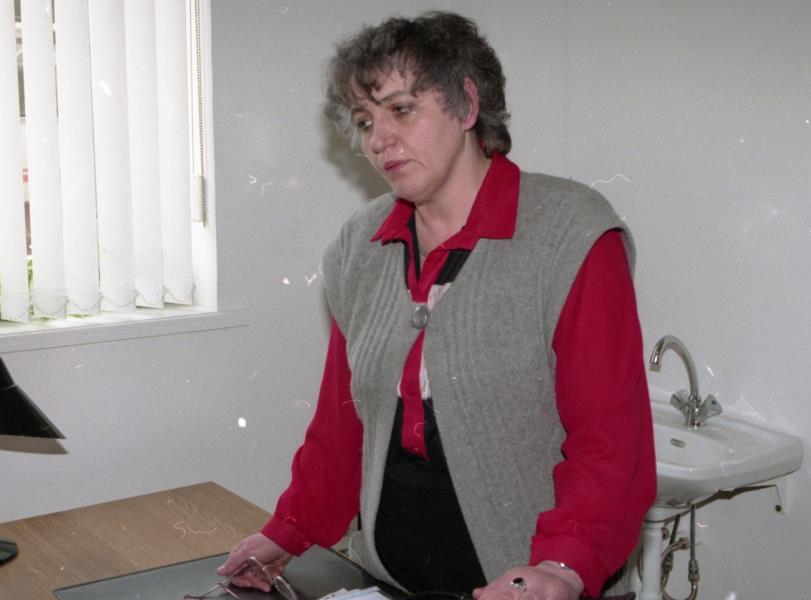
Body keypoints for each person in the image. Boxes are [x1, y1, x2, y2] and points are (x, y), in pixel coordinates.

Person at [220, 11, 655, 600]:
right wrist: (289, 530)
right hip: (387, 582)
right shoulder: (358, 246)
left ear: (467, 104)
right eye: (365, 121)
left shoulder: (570, 234)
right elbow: (344, 424)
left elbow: (610, 440)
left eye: (401, 109)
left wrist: (562, 565)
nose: (378, 139)